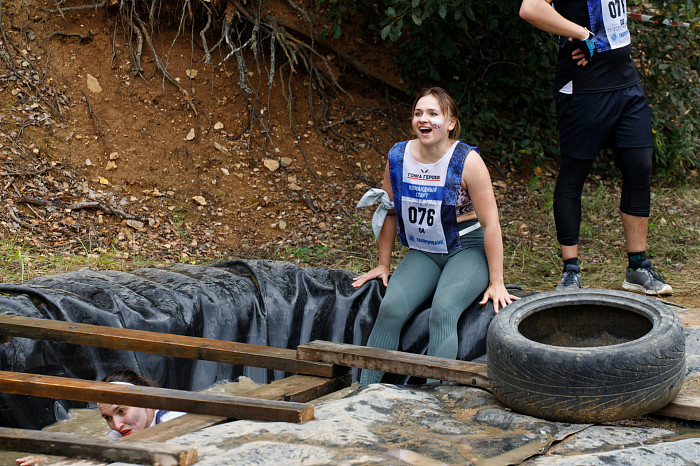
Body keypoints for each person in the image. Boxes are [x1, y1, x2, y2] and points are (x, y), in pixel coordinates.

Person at [353, 87, 519, 385]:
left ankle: (436, 400)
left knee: (443, 311)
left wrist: (497, 281)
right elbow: (389, 210)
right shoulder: (398, 157)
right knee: (390, 308)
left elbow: (491, 223)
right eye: (418, 113)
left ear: (451, 123)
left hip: (466, 246)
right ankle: (362, 394)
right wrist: (382, 264)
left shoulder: (467, 161)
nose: (423, 119)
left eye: (433, 113)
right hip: (424, 248)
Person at [519, 0, 672, 295]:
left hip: (626, 83)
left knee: (640, 169)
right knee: (574, 175)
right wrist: (582, 34)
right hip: (583, 86)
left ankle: (637, 268)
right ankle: (571, 271)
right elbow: (531, 8)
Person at [16, 369, 186, 465]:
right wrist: (45, 460)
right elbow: (94, 452)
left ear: (146, 400)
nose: (117, 425)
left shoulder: (173, 420)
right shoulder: (125, 431)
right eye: (107, 418)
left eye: (121, 411)